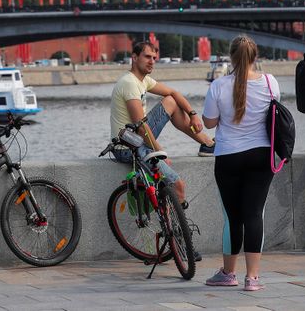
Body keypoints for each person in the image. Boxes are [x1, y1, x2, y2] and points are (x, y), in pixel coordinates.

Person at [202, 34, 277, 292]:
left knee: (232, 217)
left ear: (231, 58)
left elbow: (209, 123)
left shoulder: (218, 86)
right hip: (261, 155)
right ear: (255, 57)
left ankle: (228, 273)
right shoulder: (270, 83)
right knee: (255, 214)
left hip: (228, 156)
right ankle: (252, 278)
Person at [109, 41, 216, 207]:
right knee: (178, 185)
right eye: (147, 57)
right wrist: (159, 152)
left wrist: (193, 114)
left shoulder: (143, 81)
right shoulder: (129, 83)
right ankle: (177, 230)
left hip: (137, 139)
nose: (152, 61)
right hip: (127, 148)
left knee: (170, 101)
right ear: (135, 58)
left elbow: (173, 93)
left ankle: (207, 143)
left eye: (154, 58)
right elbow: (141, 126)